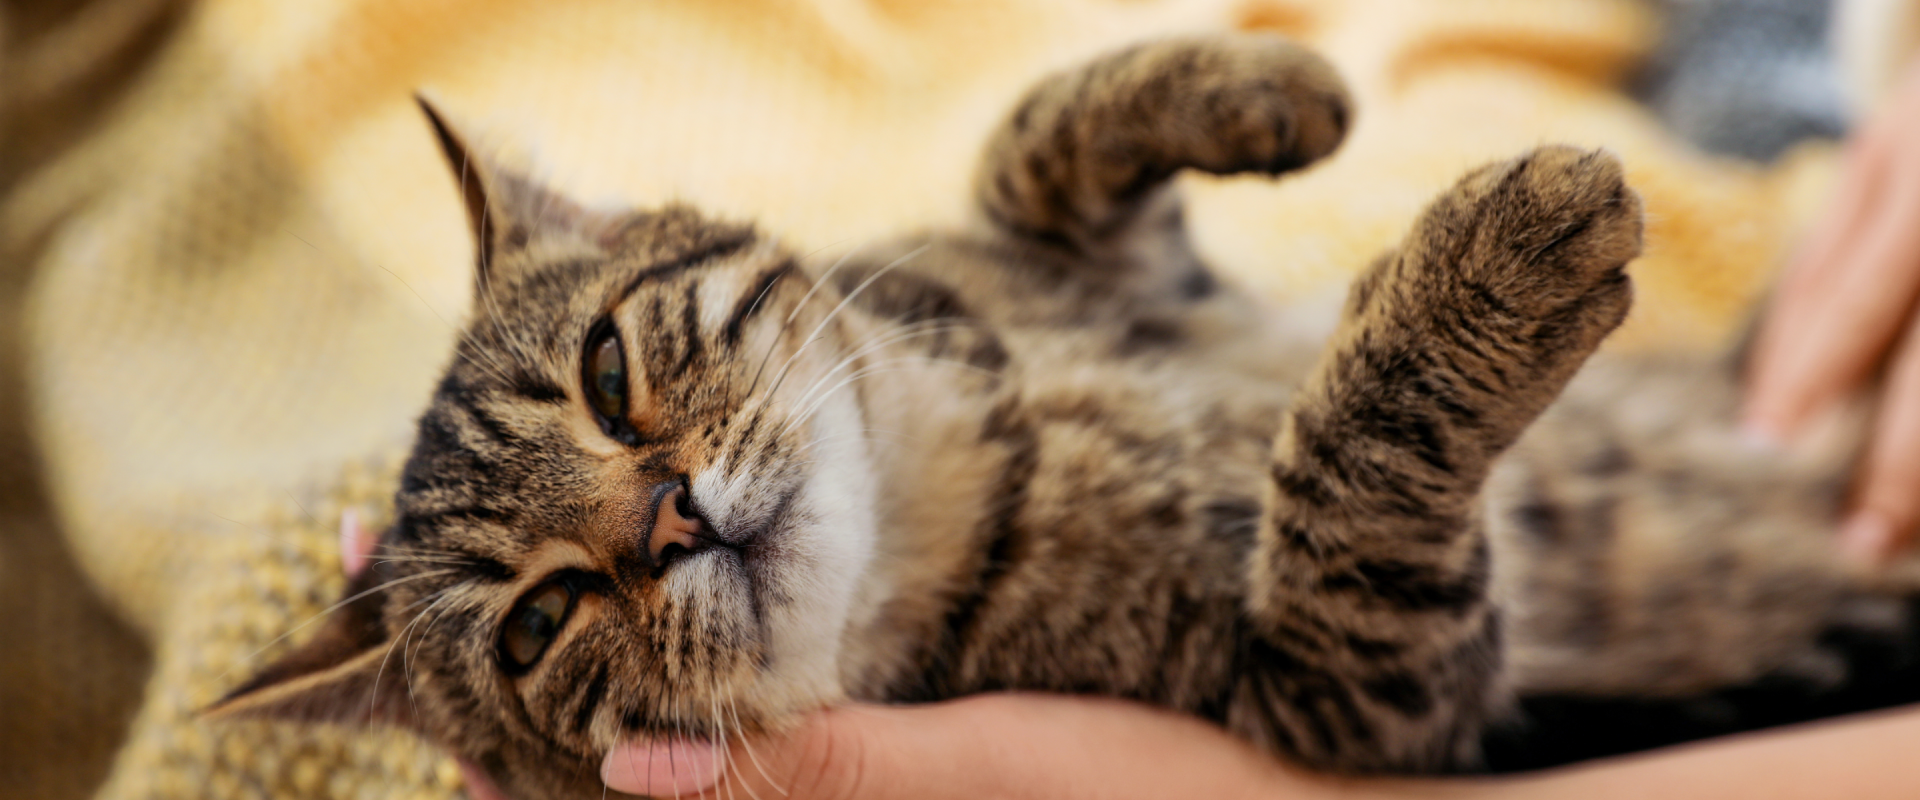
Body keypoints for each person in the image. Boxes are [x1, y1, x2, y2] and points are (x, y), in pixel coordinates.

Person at [530, 55, 1920, 800]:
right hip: (1817, 603)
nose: (651, 522)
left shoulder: (875, 327)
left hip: (1778, 386)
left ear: (618, 234)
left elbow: (1104, 269)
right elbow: (1368, 700)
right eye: (538, 613)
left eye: (605, 388)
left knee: (1773, 80)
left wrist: (1078, 148)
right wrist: (1399, 421)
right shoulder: (985, 665)